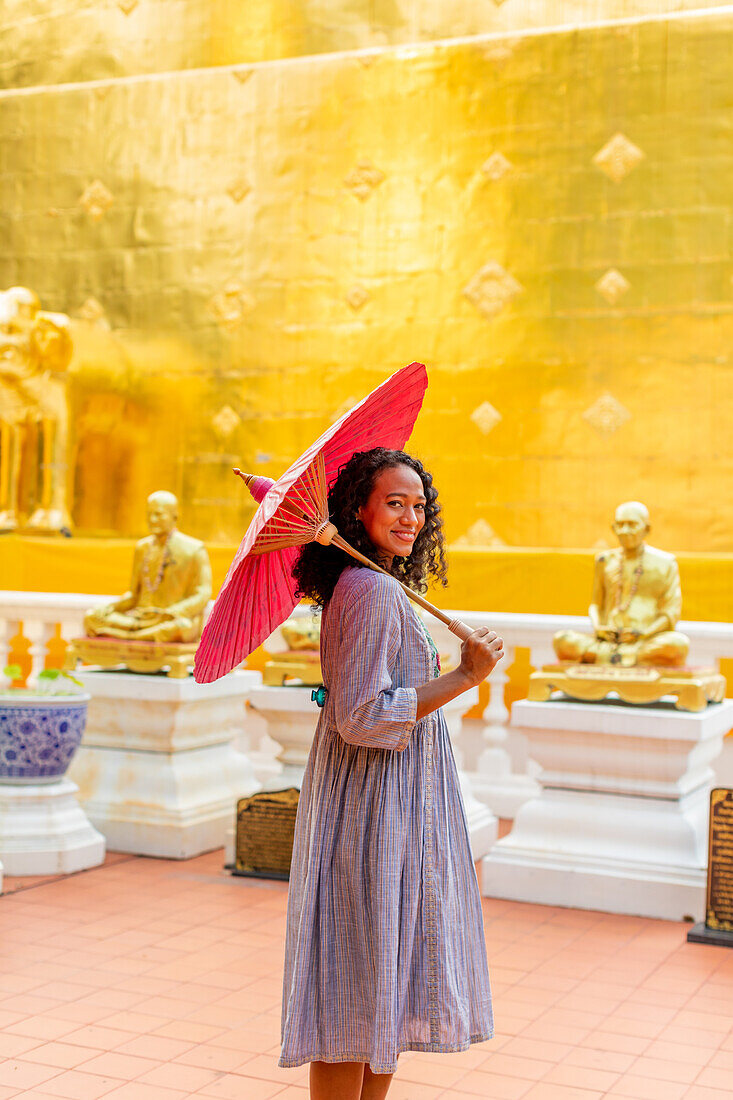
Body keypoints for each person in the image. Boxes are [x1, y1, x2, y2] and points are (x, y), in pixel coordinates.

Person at [280, 447, 504, 1100]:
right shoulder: (372, 590)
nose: (410, 517)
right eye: (393, 503)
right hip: (373, 810)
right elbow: (362, 716)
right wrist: (464, 677)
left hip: (397, 805)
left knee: (384, 981)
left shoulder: (380, 585)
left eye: (418, 505)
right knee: (355, 990)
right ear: (357, 510)